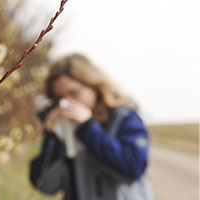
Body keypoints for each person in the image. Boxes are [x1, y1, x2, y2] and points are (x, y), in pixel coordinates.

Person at [29, 53, 153, 200]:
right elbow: (43, 185)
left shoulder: (124, 118)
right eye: (59, 98)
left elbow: (133, 168)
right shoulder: (64, 127)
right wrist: (52, 136)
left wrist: (88, 129)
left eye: (74, 93)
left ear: (94, 87)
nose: (66, 103)